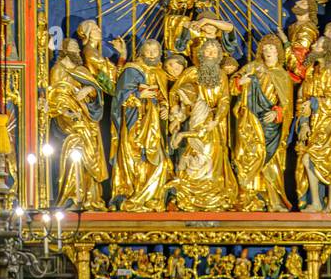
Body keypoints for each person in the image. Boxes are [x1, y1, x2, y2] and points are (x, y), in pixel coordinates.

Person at [169, 37, 238, 211]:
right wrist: (177, 114)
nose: (210, 54)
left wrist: (216, 120)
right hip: (194, 119)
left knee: (211, 154)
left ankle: (212, 191)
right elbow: (175, 92)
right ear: (201, 53)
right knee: (194, 153)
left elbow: (224, 99)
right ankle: (191, 193)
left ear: (219, 56)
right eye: (207, 51)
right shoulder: (192, 72)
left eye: (214, 52)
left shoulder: (221, 75)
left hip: (215, 122)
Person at [232, 34, 293, 211]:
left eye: (272, 49)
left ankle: (274, 201)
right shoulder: (253, 67)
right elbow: (232, 83)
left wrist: (277, 113)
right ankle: (249, 199)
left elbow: (287, 103)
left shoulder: (282, 75)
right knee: (247, 157)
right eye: (265, 49)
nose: (268, 52)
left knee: (271, 161)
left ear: (278, 52)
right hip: (250, 121)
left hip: (270, 124)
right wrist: (239, 82)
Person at [110, 38, 171, 211]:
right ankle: (131, 194)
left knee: (159, 161)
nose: (152, 54)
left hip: (154, 123)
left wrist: (165, 107)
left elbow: (162, 97)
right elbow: (120, 95)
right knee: (134, 157)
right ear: (141, 52)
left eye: (155, 50)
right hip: (134, 120)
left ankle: (151, 196)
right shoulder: (132, 69)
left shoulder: (161, 73)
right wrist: (137, 95)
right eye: (148, 50)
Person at [48, 38, 108, 209]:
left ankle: (91, 197)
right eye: (73, 49)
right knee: (75, 147)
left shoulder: (82, 70)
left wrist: (89, 90)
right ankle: (72, 194)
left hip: (87, 118)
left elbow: (96, 91)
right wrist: (67, 110)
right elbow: (56, 95)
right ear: (64, 50)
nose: (77, 53)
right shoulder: (58, 70)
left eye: (77, 49)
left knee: (90, 152)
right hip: (68, 118)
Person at [295, 35, 331, 213]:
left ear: (325, 49)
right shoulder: (313, 71)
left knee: (328, 161)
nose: (312, 45)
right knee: (309, 159)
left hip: (330, 122)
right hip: (315, 122)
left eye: (316, 44)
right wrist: (304, 123)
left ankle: (330, 203)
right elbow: (303, 97)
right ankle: (318, 203)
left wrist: (314, 103)